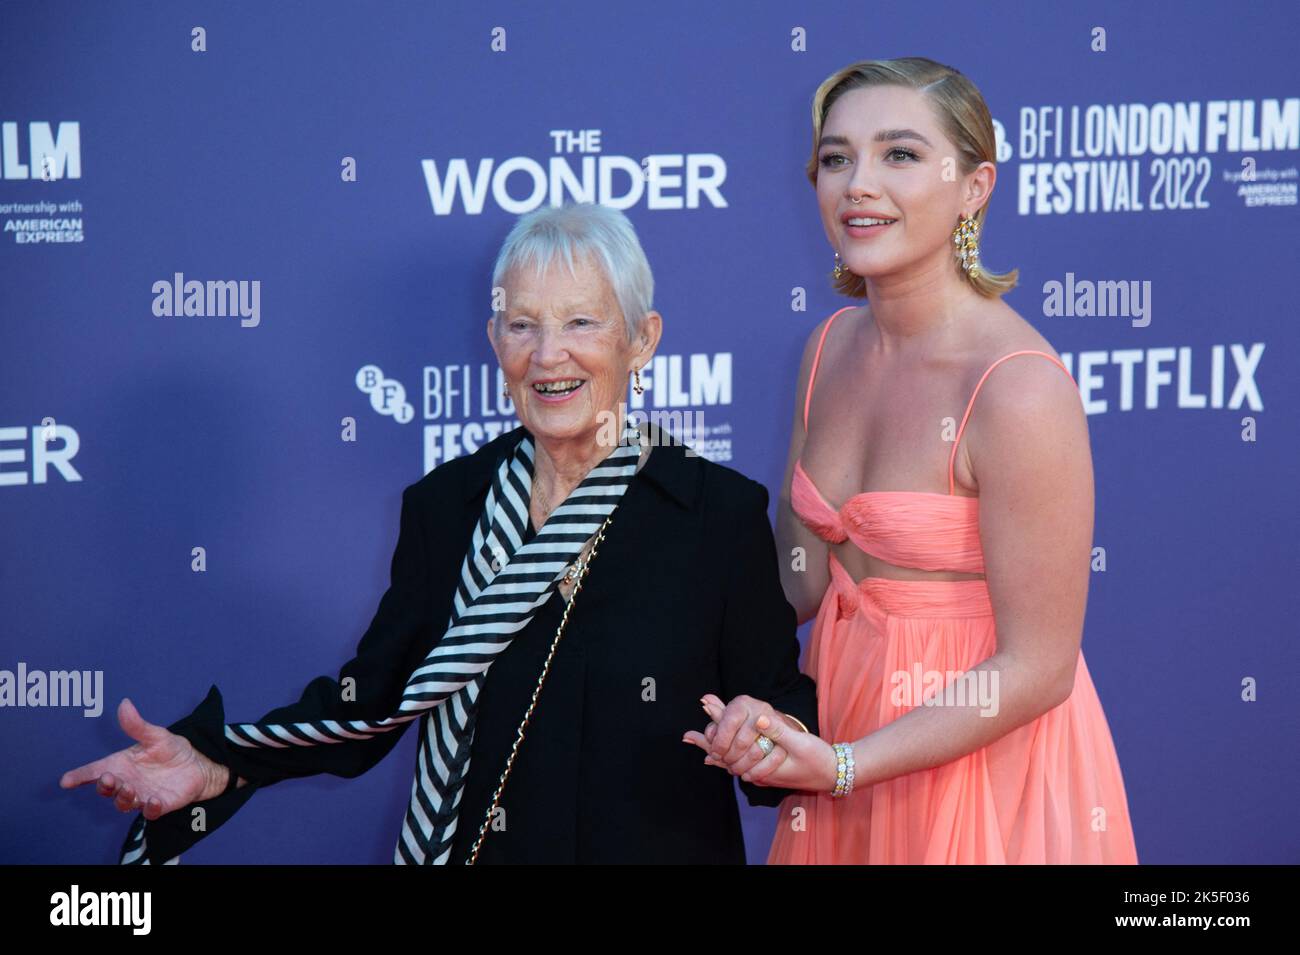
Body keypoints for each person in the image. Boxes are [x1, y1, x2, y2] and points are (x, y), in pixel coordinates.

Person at [60, 201, 817, 865]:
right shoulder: (449, 505)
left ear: (642, 340)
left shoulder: (715, 513)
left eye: (581, 321)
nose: (548, 354)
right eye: (523, 325)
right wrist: (215, 762)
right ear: (495, 340)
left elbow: (781, 714)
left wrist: (764, 734)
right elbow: (372, 702)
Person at [684, 57, 1138, 864]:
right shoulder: (826, 347)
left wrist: (848, 765)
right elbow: (802, 583)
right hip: (840, 741)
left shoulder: (1017, 387)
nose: (858, 183)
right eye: (835, 158)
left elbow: (1039, 668)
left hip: (976, 769)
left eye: (899, 154)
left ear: (974, 185)